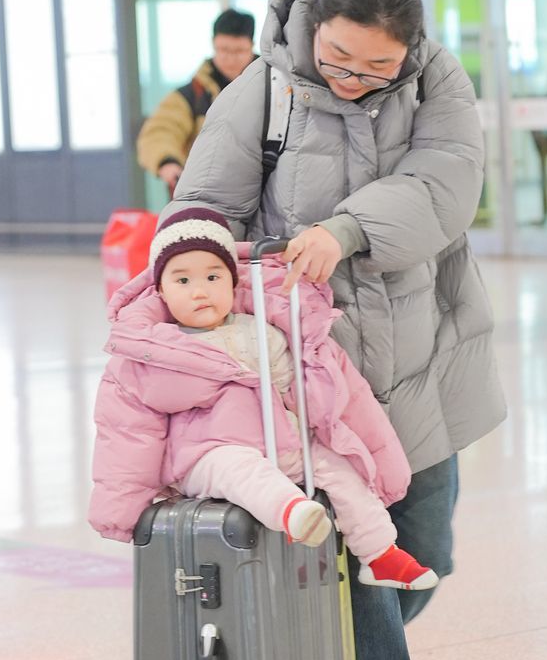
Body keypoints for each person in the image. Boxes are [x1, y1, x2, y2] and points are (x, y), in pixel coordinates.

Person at [155, 0, 507, 660]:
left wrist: (347, 230)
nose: (352, 80)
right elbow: (203, 209)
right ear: (316, 32)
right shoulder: (266, 88)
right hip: (313, 374)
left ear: (408, 49)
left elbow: (446, 186)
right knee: (360, 564)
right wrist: (202, 283)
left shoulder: (436, 83)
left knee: (421, 558)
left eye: (376, 68)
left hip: (418, 360)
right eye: (339, 60)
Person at [89, 206, 439, 594]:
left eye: (213, 276)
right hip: (204, 454)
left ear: (233, 281)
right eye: (182, 280)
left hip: (282, 440)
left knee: (336, 465)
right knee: (238, 467)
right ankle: (290, 512)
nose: (199, 291)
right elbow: (127, 432)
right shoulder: (151, 352)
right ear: (161, 290)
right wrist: (122, 512)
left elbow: (324, 392)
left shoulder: (264, 332)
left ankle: (380, 553)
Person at [136, 8, 256, 192]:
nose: (231, 59)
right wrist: (168, 162)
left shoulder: (273, 87)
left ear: (252, 46)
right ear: (213, 44)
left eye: (239, 51)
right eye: (223, 50)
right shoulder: (191, 95)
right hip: (203, 192)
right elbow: (160, 131)